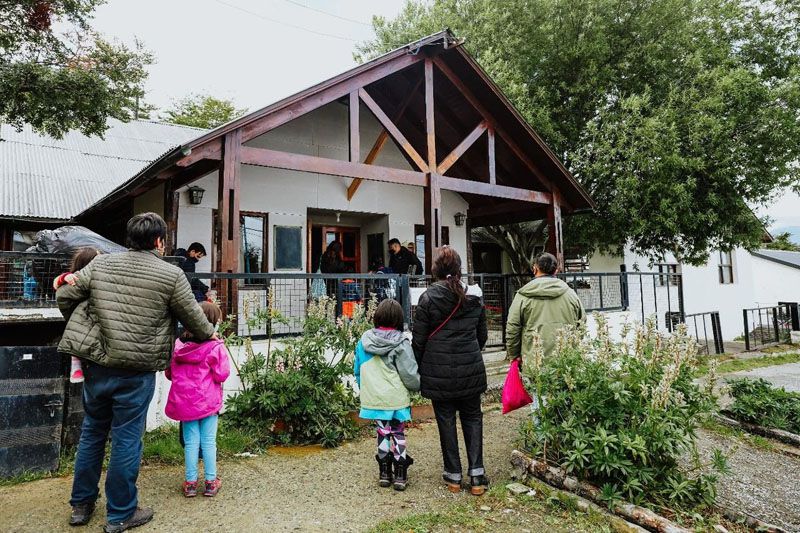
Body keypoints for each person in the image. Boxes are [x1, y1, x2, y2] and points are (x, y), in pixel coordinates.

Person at [56, 212, 216, 533]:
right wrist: (210, 335)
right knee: (127, 438)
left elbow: (65, 296)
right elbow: (197, 323)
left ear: (129, 239)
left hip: (97, 364)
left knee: (92, 433)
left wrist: (88, 323)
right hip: (137, 370)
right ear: (159, 241)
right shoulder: (170, 275)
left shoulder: (100, 265)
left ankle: (81, 505)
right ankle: (120, 514)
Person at [411, 246, 489, 495]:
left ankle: (453, 475)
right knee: (473, 417)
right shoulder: (474, 297)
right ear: (458, 269)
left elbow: (419, 339)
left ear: (435, 270)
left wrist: (422, 365)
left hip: (438, 370)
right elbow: (482, 336)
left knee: (445, 420)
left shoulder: (428, 298)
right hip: (470, 368)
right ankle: (477, 474)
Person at [165, 301, 230, 498]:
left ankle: (191, 483)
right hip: (208, 403)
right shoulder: (215, 347)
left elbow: (169, 373)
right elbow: (222, 374)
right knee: (209, 442)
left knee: (191, 442)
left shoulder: (177, 347)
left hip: (185, 403)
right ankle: (211, 482)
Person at [354, 299, 420, 491]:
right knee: (398, 433)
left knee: (383, 433)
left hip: (374, 398)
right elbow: (409, 373)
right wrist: (417, 386)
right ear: (399, 319)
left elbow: (358, 370)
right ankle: (400, 474)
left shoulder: (363, 342)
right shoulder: (401, 342)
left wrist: (366, 388)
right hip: (396, 399)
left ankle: (384, 472)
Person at [505, 252, 586, 373]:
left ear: (535, 269)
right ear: (556, 270)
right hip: (565, 362)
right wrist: (574, 348)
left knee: (535, 390)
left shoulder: (522, 296)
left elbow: (512, 328)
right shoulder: (571, 294)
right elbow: (582, 324)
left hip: (533, 361)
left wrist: (514, 355)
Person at [52, 247, 101, 383]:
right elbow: (56, 284)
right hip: (81, 316)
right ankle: (76, 366)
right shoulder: (76, 278)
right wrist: (64, 277)